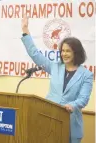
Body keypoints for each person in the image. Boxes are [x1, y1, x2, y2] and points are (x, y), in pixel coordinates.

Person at [21, 15, 93, 143]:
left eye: (68, 51)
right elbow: (35, 54)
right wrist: (25, 31)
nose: (64, 54)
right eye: (62, 51)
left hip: (71, 125)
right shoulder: (55, 67)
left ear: (76, 53)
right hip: (49, 120)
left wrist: (72, 105)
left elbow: (83, 99)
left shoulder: (86, 75)